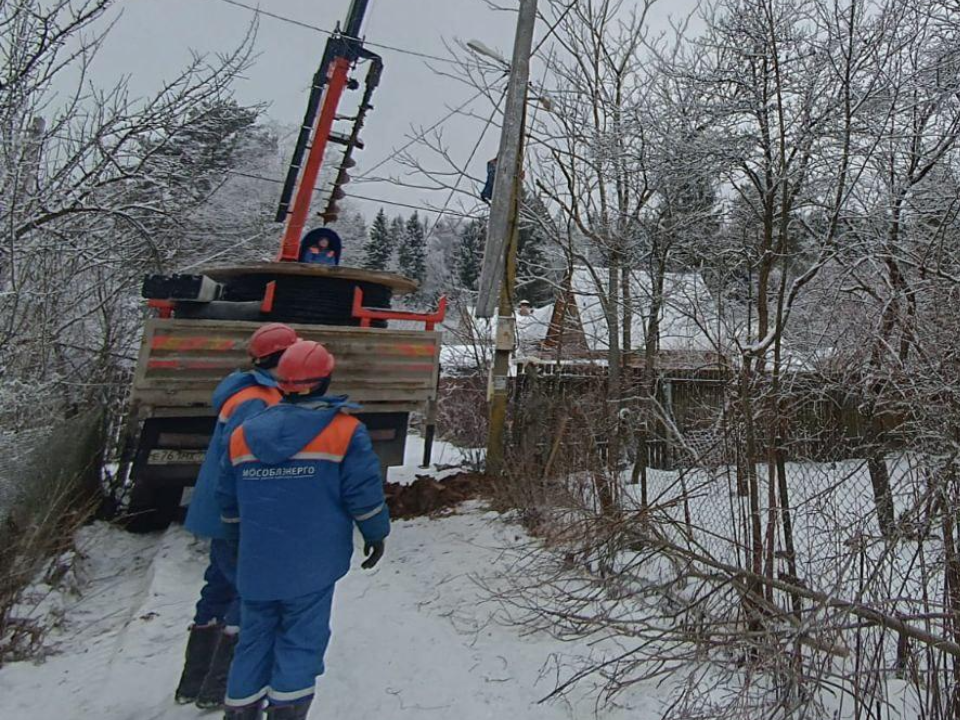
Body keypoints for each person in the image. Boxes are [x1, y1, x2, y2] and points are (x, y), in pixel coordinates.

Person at [218, 340, 389, 720]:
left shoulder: (244, 434)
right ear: (326, 379)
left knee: (253, 639)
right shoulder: (344, 430)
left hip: (257, 560)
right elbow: (362, 492)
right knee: (301, 640)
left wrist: (234, 541)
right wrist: (375, 532)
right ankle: (288, 710)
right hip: (312, 561)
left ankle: (240, 710)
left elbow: (226, 500)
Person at [175, 323, 300, 709]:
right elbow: (246, 463)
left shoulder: (244, 390)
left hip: (222, 510)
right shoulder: (257, 400)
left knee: (219, 587)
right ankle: (221, 684)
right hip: (240, 513)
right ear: (280, 358)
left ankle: (193, 682)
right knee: (246, 593)